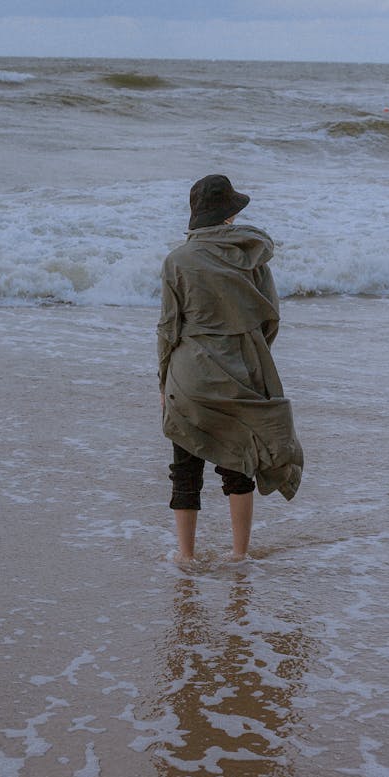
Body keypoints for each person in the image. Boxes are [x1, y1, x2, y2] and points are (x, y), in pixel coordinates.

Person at [157, 174, 303, 563]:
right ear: (229, 214)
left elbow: (169, 328)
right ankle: (240, 555)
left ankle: (185, 557)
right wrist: (247, 353)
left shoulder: (177, 260)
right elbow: (270, 318)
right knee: (239, 464)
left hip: (189, 375)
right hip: (240, 369)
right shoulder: (251, 256)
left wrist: (162, 381)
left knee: (185, 467)